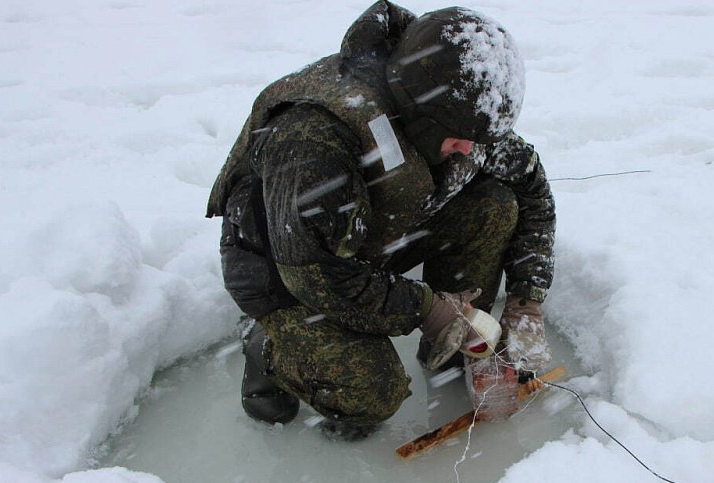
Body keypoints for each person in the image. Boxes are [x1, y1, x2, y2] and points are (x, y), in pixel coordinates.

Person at [206, 1, 556, 438]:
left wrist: (527, 299)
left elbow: (533, 193)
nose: (471, 150)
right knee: (371, 392)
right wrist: (426, 308)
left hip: (367, 234)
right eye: (462, 139)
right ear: (422, 111)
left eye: (478, 139)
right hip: (284, 270)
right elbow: (315, 274)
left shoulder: (461, 114)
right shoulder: (315, 138)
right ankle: (270, 347)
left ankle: (451, 348)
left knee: (494, 206)